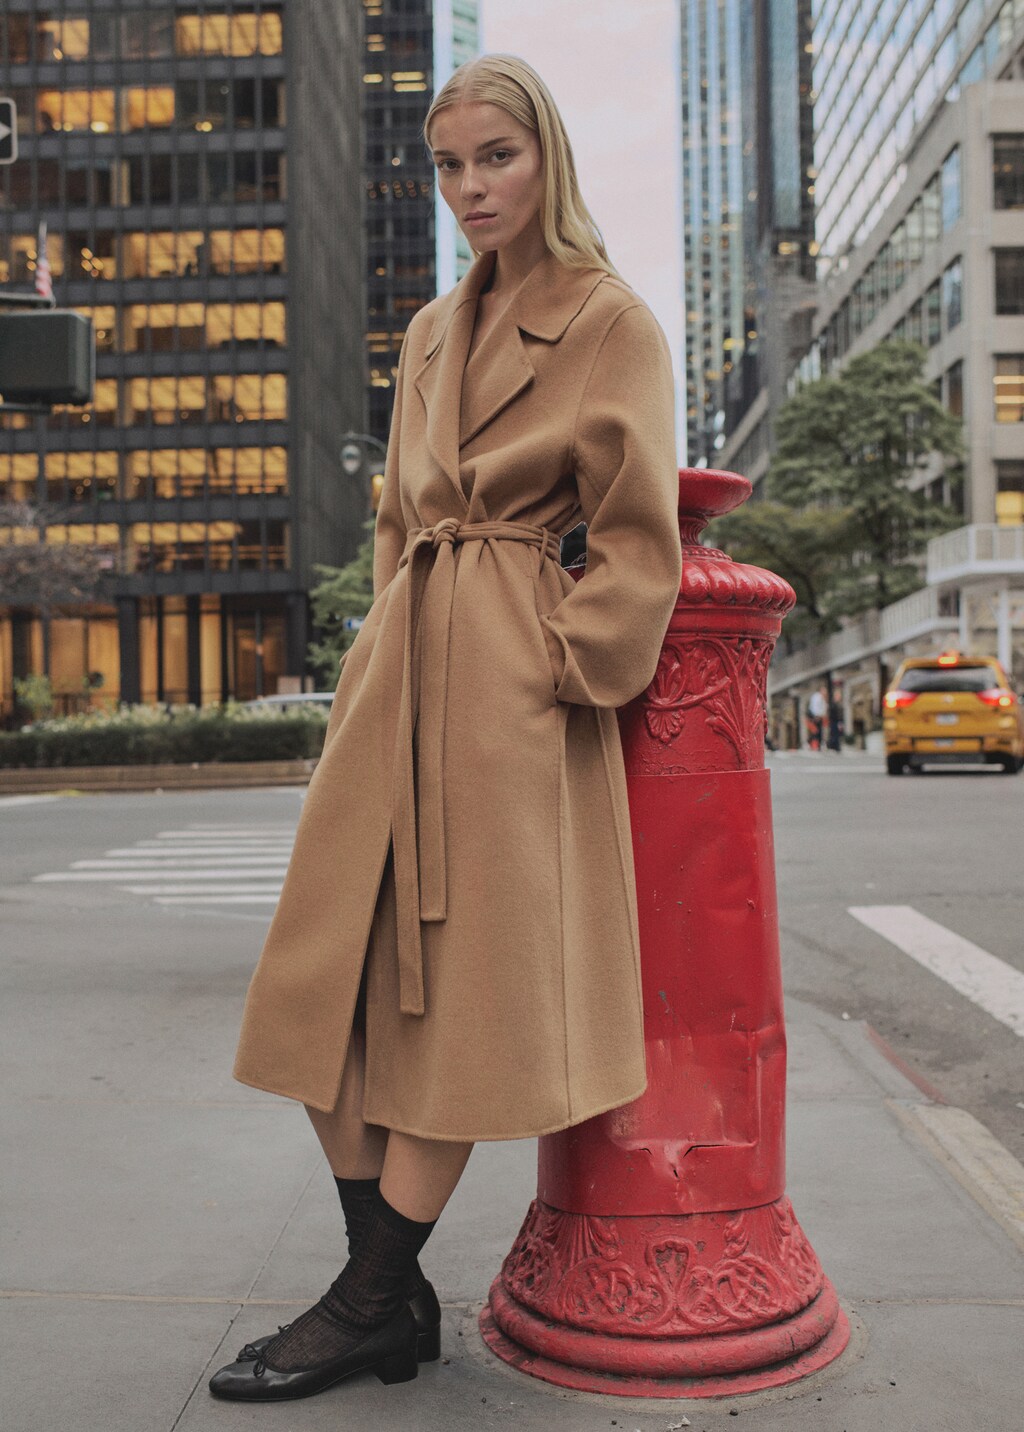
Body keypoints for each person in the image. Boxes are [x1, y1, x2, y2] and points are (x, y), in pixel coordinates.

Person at [209, 53, 683, 1405]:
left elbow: (639, 544)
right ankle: (387, 1292)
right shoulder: (425, 331)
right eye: (453, 165)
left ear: (549, 163)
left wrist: (553, 665)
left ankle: (365, 1301)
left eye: (498, 158)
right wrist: (380, 652)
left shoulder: (612, 322)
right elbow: (398, 522)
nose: (474, 188)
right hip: (400, 670)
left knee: (464, 1007)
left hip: (509, 698)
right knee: (322, 983)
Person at [807, 683, 827, 751]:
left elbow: (823, 708)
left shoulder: (823, 698)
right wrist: (816, 716)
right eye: (824, 690)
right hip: (815, 716)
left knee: (819, 731)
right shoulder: (816, 697)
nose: (825, 692)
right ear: (820, 690)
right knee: (815, 731)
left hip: (820, 717)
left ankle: (818, 745)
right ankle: (812, 744)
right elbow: (814, 707)